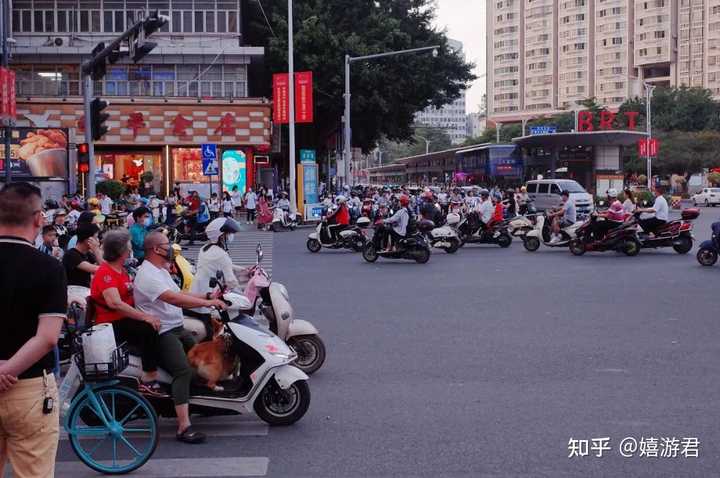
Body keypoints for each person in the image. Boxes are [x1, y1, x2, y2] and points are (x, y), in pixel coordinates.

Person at [133, 231, 227, 444]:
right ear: (156, 249)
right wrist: (207, 304)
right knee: (183, 371)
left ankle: (200, 401)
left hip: (177, 327)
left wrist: (208, 296)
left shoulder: (161, 270)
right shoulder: (147, 275)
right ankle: (183, 427)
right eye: (167, 244)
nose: (171, 247)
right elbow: (176, 300)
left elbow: (181, 294)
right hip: (163, 332)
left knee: (202, 361)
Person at [0, 182, 66, 477]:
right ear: (39, 218)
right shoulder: (49, 268)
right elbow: (47, 337)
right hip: (27, 388)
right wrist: (6, 371)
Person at [90, 230, 163, 394]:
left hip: (123, 319)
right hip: (111, 324)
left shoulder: (120, 270)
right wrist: (146, 316)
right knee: (148, 329)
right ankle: (149, 378)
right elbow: (115, 303)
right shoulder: (105, 273)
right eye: (128, 247)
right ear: (121, 251)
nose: (131, 250)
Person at [190, 218, 249, 311]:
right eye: (229, 233)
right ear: (221, 236)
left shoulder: (205, 248)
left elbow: (219, 264)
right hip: (209, 296)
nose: (231, 236)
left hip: (196, 291)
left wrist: (243, 270)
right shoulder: (222, 254)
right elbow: (231, 281)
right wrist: (243, 294)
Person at [63, 223, 101, 288]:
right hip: (74, 293)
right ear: (88, 240)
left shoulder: (87, 253)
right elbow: (99, 270)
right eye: (96, 237)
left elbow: (105, 268)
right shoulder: (71, 255)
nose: (98, 240)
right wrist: (96, 250)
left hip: (84, 291)